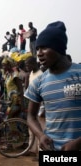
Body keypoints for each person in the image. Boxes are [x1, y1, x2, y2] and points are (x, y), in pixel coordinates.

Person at [24, 21, 81, 151]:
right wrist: (40, 135)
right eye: (37, 49)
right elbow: (31, 116)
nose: (39, 53)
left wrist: (78, 143)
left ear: (58, 48)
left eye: (44, 48)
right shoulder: (39, 81)